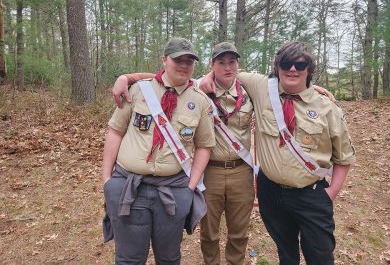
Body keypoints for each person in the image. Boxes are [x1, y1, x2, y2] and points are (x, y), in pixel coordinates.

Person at [200, 41, 356, 265]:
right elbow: (228, 71)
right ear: (277, 67)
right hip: (271, 193)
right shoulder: (262, 87)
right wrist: (207, 76)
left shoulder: (327, 107)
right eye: (286, 63)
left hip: (310, 194)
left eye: (300, 64)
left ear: (309, 69)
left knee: (320, 255)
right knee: (286, 252)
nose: (292, 69)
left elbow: (344, 156)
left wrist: (331, 192)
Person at [113, 42, 255, 265]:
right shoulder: (198, 87)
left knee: (239, 232)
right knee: (209, 232)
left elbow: (282, 85)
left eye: (232, 62)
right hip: (212, 171)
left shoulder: (250, 91)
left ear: (238, 64)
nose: (227, 67)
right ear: (211, 65)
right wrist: (125, 77)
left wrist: (313, 87)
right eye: (221, 62)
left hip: (241, 169)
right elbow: (163, 78)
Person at [102, 37, 216, 264]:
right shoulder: (137, 90)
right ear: (164, 60)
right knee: (129, 259)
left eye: (189, 61)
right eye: (178, 60)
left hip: (172, 191)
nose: (184, 65)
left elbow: (204, 146)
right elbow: (115, 131)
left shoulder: (200, 101)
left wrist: (190, 186)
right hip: (129, 187)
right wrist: (106, 179)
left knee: (169, 258)